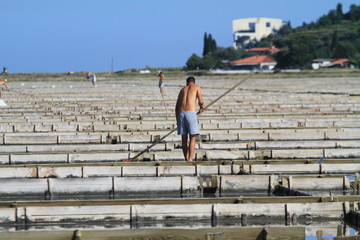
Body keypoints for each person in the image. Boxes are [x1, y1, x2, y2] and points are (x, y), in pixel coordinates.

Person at [175, 76, 204, 162]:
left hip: (181, 114)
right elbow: (201, 101)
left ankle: (186, 158)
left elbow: (177, 106)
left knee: (184, 138)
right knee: (192, 137)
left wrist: (177, 120)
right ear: (193, 82)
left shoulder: (182, 90)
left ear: (187, 82)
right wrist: (202, 107)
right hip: (191, 113)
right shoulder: (196, 87)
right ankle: (190, 159)